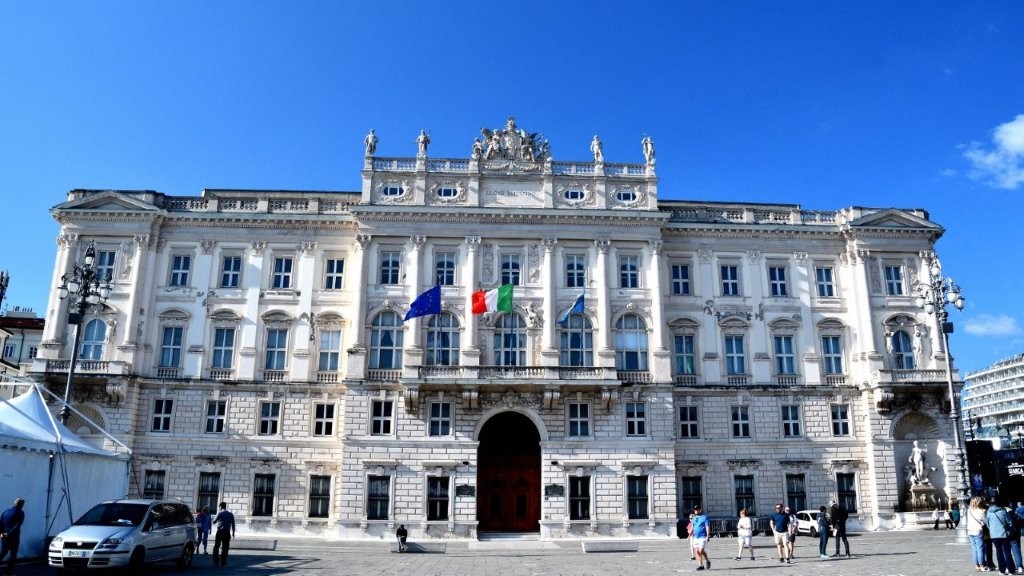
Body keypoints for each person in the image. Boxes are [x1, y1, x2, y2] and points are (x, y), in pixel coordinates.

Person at [987, 497, 1017, 575]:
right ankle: (1010, 570)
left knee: (999, 552)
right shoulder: (1003, 511)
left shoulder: (989, 512)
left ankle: (1002, 570)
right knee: (1007, 552)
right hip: (1004, 534)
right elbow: (1010, 522)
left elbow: (987, 524)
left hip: (994, 535)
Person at [0, 497, 25, 576]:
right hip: (14, 537)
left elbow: (0, 523)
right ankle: (8, 573)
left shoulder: (5, 512)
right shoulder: (21, 513)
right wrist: (9, 534)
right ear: (21, 504)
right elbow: (17, 525)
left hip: (4, 537)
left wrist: (1, 533)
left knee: (3, 553)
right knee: (13, 555)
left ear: (14, 503)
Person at [212, 501, 236, 567]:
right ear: (225, 506)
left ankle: (216, 560)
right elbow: (233, 524)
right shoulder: (230, 514)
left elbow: (214, 522)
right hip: (227, 532)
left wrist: (215, 520)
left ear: (220, 507)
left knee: (216, 546)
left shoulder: (220, 513)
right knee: (225, 547)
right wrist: (233, 532)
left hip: (220, 531)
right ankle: (223, 562)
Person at [968, 496, 988, 572]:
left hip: (970, 530)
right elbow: (985, 521)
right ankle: (982, 565)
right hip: (978, 530)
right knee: (980, 549)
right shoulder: (981, 511)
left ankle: (977, 566)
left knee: (974, 549)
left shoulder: (969, 510)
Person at [690, 504, 711, 571]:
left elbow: (707, 526)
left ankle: (707, 561)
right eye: (695, 510)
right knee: (696, 551)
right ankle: (701, 565)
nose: (696, 511)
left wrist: (708, 535)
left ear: (700, 510)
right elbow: (692, 527)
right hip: (695, 537)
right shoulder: (694, 518)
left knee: (701, 550)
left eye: (697, 510)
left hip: (702, 536)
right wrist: (689, 535)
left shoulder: (704, 517)